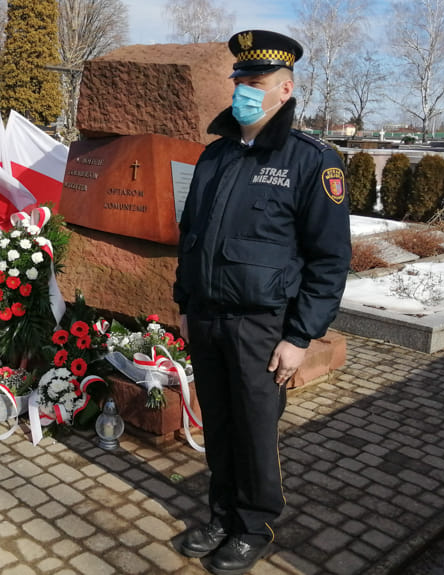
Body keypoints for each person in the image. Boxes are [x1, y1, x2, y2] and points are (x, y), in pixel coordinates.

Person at [173, 30, 351, 574]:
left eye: (257, 83)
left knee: (254, 430)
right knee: (219, 426)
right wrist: (184, 302)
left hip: (263, 326)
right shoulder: (215, 155)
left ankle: (254, 525)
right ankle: (223, 514)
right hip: (206, 318)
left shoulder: (313, 161)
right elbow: (192, 235)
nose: (245, 92)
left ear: (285, 90)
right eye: (240, 82)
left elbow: (328, 261)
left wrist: (300, 337)